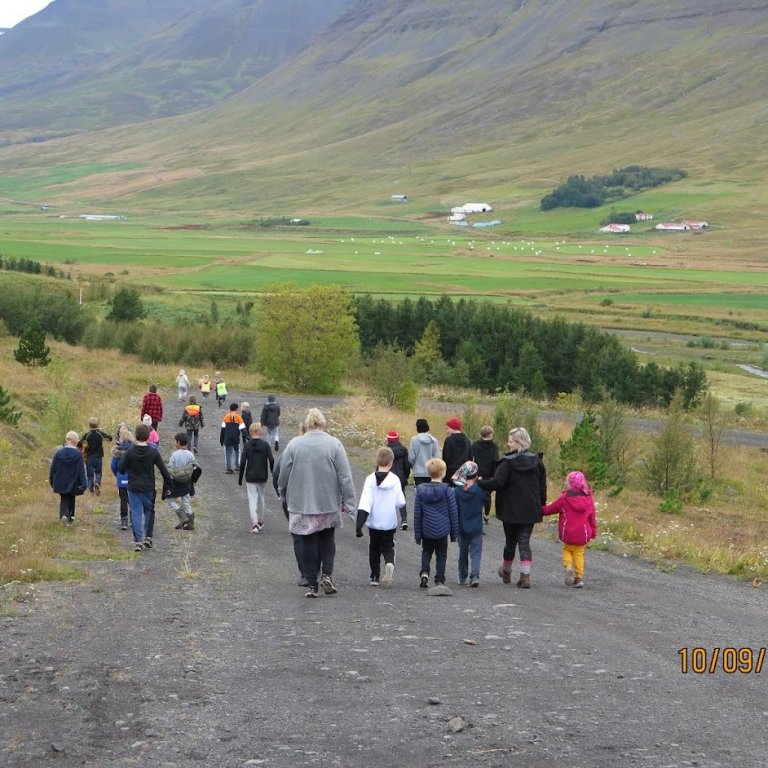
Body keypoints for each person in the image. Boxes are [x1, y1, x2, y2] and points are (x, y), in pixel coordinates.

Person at [277, 408, 356, 598]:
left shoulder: (295, 444)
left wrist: (282, 490)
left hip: (302, 502)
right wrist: (350, 503)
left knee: (308, 541)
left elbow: (283, 472)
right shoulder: (334, 444)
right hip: (328, 502)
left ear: (307, 424)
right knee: (328, 538)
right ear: (323, 424)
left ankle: (312, 584)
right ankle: (327, 575)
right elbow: (345, 476)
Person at [477, 427, 547, 589]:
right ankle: (525, 576)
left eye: (510, 441)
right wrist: (541, 505)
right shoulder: (537, 461)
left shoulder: (508, 463)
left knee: (510, 541)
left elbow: (497, 483)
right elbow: (542, 486)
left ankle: (507, 570)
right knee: (524, 541)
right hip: (530, 509)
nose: (508, 444)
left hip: (510, 509)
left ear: (518, 443)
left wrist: (479, 482)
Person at [118, 423, 173, 552]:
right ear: (148, 436)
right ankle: (148, 537)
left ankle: (138, 541)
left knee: (136, 512)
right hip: (148, 487)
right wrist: (169, 484)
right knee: (149, 511)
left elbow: (121, 469)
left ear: (136, 436)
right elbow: (163, 469)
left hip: (133, 487)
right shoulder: (153, 451)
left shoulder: (130, 451)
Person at [356, 446, 405, 588]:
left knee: (374, 548)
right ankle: (389, 563)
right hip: (389, 521)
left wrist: (359, 524)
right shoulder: (395, 480)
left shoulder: (370, 479)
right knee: (389, 546)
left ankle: (375, 575)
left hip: (374, 522)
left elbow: (365, 502)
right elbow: (401, 501)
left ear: (377, 461)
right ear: (391, 462)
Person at [542, 471, 597, 589]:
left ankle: (568, 567)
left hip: (568, 533)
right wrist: (593, 532)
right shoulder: (589, 499)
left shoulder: (565, 498)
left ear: (569, 483)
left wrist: (539, 510)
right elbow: (592, 517)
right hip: (583, 533)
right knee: (579, 554)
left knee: (567, 550)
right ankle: (579, 578)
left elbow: (551, 509)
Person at [413, 458, 458, 588]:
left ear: (428, 473)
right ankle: (439, 579)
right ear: (443, 473)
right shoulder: (447, 490)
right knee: (441, 554)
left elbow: (417, 514)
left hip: (427, 528)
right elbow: (453, 512)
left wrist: (418, 534)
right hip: (443, 530)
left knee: (426, 551)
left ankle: (425, 572)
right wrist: (454, 534)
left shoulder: (421, 491)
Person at [273, 422, 309, 586]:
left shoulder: (290, 449)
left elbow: (277, 472)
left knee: (299, 536)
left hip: (292, 500)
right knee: (317, 536)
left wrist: (281, 492)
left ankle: (304, 574)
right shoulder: (325, 448)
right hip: (317, 501)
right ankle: (317, 570)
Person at [452, 461, 488, 587]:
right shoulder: (480, 491)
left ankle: (462, 576)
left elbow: (454, 508)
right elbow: (486, 501)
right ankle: (475, 576)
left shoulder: (457, 491)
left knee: (462, 552)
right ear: (477, 474)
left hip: (461, 527)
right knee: (476, 553)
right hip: (477, 526)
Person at [239, 422, 275, 533]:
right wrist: (273, 474)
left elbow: (243, 462)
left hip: (250, 476)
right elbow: (272, 460)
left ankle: (254, 524)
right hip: (262, 475)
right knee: (261, 498)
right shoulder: (265, 445)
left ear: (250, 432)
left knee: (252, 499)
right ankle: (260, 520)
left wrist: (240, 478)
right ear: (260, 431)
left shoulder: (247, 445)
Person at [164, 432, 200, 532]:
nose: (175, 443)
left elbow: (170, 469)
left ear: (179, 442)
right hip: (187, 482)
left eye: (175, 441)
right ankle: (190, 523)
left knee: (170, 500)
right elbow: (194, 467)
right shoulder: (190, 454)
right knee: (186, 502)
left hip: (176, 482)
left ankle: (183, 517)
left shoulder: (174, 455)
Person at [49, 431, 87, 524]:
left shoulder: (59, 453)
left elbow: (53, 468)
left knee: (64, 497)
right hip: (73, 481)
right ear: (76, 441)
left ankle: (66, 515)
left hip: (60, 480)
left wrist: (52, 481)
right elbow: (80, 470)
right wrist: (83, 483)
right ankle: (68, 516)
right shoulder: (77, 454)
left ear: (67, 440)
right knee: (70, 496)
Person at [77, 416, 112, 495]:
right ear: (98, 425)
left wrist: (83, 447)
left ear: (89, 425)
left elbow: (79, 444)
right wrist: (104, 439)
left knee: (90, 474)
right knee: (98, 472)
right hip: (98, 457)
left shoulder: (87, 435)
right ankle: (97, 482)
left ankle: (91, 489)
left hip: (89, 457)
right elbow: (110, 438)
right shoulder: (100, 434)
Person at [471, 425, 500, 522]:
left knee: (477, 493)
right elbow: (496, 460)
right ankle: (486, 515)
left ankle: (477, 513)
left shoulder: (475, 445)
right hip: (489, 474)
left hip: (478, 473)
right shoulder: (494, 446)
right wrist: (495, 475)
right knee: (488, 496)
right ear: (490, 434)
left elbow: (471, 458)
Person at [385, 430, 410, 530]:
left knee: (388, 498)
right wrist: (406, 476)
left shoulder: (386, 451)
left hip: (388, 477)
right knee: (402, 498)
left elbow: (381, 464)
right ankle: (404, 520)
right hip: (401, 477)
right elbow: (407, 466)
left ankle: (389, 520)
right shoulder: (403, 450)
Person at [110, 425, 133, 530]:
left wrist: (118, 474)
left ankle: (124, 521)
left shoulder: (117, 452)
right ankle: (133, 519)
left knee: (123, 499)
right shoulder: (135, 451)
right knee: (133, 499)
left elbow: (113, 466)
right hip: (133, 479)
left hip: (122, 478)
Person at [408, 418, 440, 487]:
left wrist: (413, 466)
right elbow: (437, 457)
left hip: (418, 472)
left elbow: (411, 457)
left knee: (420, 494)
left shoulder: (413, 440)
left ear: (417, 427)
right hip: (431, 472)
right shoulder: (434, 440)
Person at [443, 417, 472, 486]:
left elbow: (446, 457)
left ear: (453, 428)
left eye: (448, 428)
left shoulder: (449, 440)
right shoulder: (467, 441)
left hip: (450, 472)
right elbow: (470, 457)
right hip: (463, 472)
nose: (447, 431)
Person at [220, 402, 245, 474]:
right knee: (237, 451)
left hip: (227, 438)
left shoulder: (225, 417)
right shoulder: (238, 417)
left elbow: (222, 430)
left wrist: (221, 440)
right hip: (236, 438)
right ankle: (237, 465)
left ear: (230, 409)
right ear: (236, 409)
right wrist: (248, 437)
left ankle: (229, 468)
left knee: (228, 452)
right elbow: (243, 429)